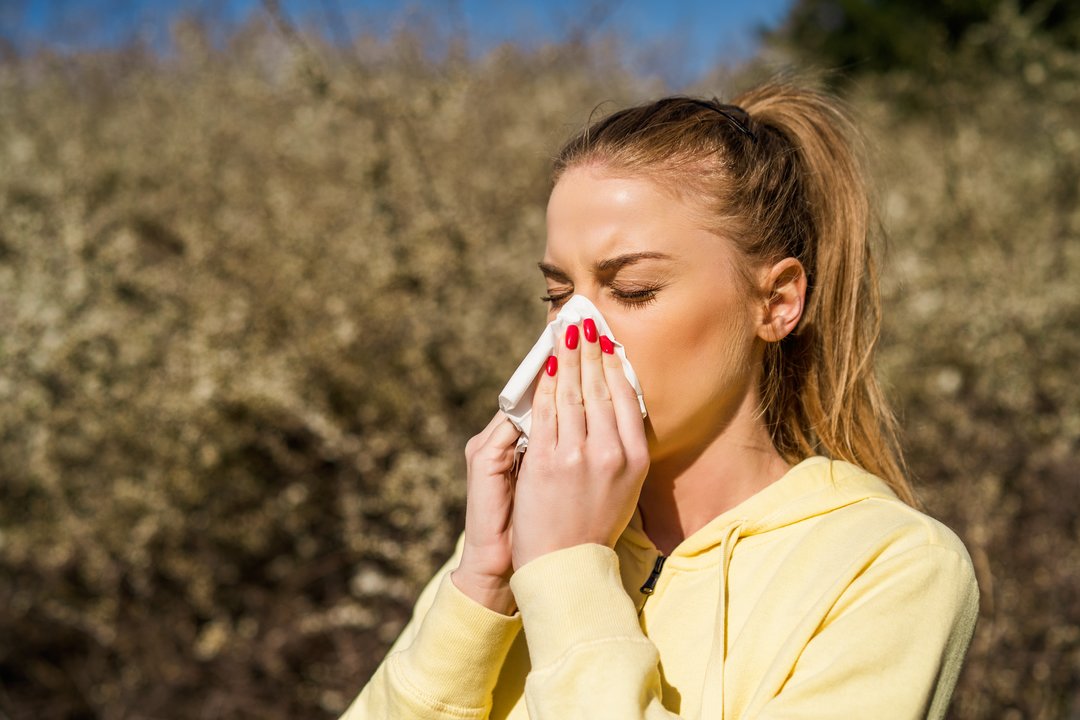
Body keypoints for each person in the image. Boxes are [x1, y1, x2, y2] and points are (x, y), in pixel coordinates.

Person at [339, 78, 979, 719]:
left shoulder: (889, 566)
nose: (574, 333)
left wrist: (567, 576)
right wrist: (481, 585)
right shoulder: (517, 541)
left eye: (635, 290)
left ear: (776, 301)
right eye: (558, 295)